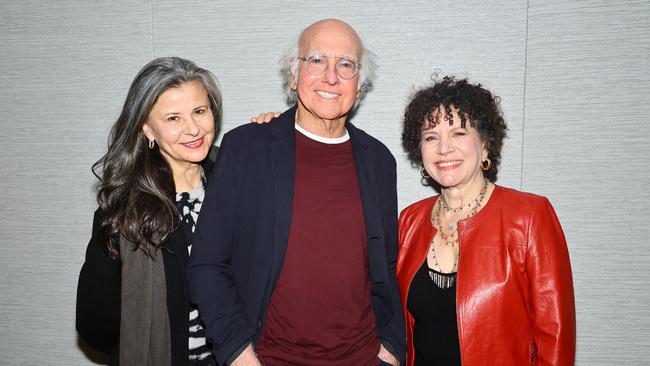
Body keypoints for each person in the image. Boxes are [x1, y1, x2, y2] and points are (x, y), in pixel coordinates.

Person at [188, 19, 405, 366]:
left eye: (346, 64)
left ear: (359, 87)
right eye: (316, 60)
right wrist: (239, 357)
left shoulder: (378, 160)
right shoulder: (247, 148)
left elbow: (387, 267)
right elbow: (207, 264)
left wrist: (390, 351)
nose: (331, 76)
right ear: (293, 76)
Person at [397, 76, 576, 365]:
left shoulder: (530, 217)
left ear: (485, 146)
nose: (444, 148)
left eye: (458, 134)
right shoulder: (409, 221)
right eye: (431, 137)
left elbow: (555, 338)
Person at [76, 56, 222, 366]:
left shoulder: (238, 181)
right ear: (147, 128)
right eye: (173, 118)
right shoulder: (124, 212)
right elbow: (95, 327)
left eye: (199, 111)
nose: (193, 129)